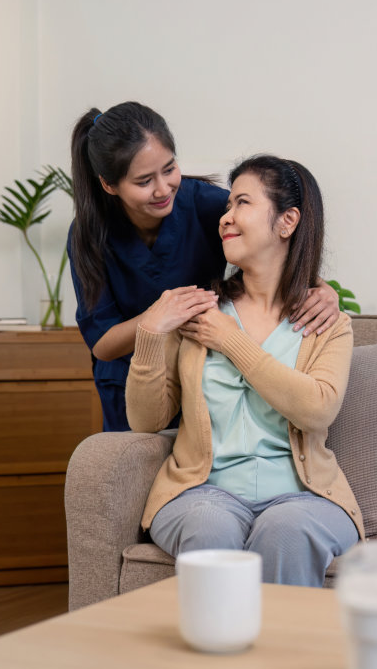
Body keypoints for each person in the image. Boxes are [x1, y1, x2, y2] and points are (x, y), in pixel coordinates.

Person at [125, 155, 363, 586]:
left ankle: (278, 654)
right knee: (209, 526)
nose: (226, 218)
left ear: (287, 221)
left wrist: (230, 341)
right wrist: (150, 334)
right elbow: (146, 420)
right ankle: (214, 646)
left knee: (287, 530)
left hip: (304, 497)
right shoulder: (198, 312)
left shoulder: (327, 323)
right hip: (204, 493)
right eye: (226, 207)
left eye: (242, 204)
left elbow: (317, 409)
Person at [68, 101, 341, 431]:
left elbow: (270, 243)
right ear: (109, 185)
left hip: (198, 372)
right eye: (143, 181)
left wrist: (321, 289)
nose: (163, 188)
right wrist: (159, 318)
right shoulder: (89, 236)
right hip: (128, 381)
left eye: (169, 169)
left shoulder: (207, 205)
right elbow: (103, 342)